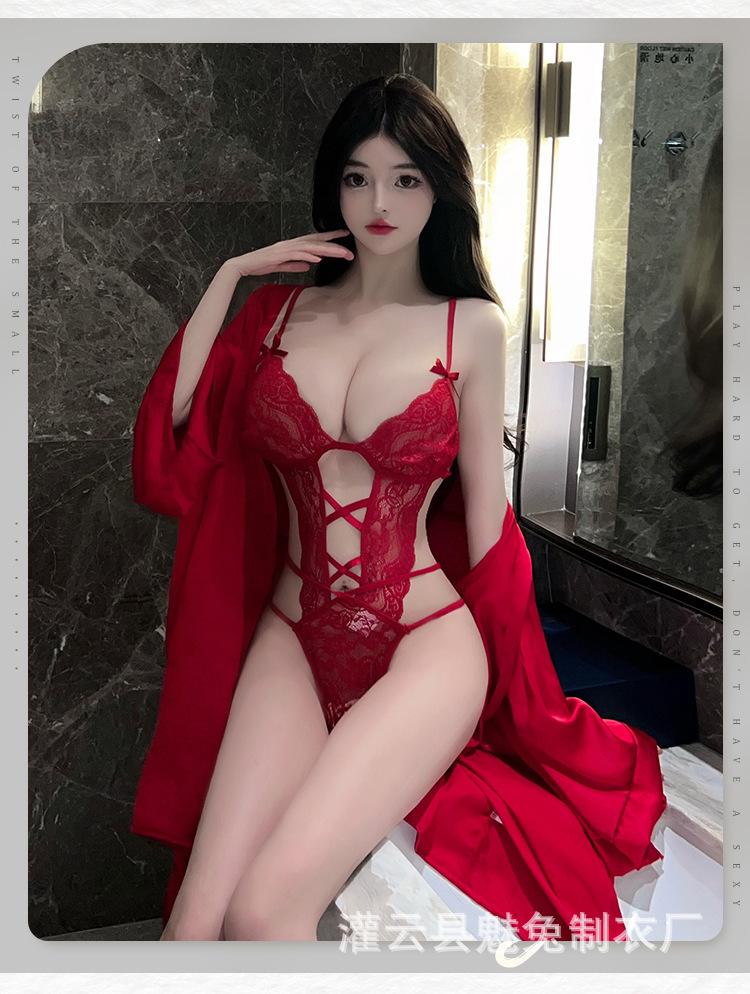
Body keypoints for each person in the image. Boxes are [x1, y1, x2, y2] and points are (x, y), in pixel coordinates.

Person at [130, 73, 667, 943]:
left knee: (265, 911)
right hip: (293, 633)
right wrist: (228, 276)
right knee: (194, 920)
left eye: (406, 178)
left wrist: (523, 696)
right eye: (358, 177)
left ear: (440, 187)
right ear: (333, 186)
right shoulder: (274, 316)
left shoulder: (471, 326)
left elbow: (488, 525)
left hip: (426, 645)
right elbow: (173, 428)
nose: (379, 203)